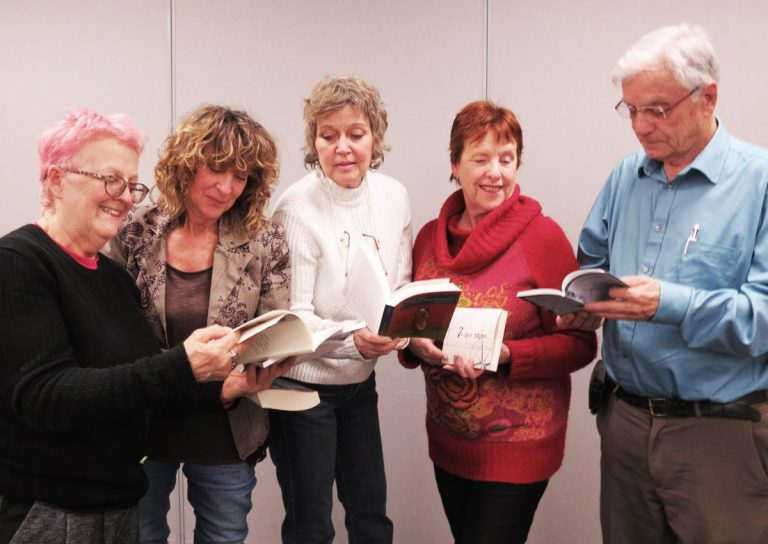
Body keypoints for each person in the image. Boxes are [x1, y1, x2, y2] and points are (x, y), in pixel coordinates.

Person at [0, 109, 271, 544]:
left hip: (118, 510)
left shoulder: (113, 279)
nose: (125, 197)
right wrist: (184, 364)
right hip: (53, 515)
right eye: (110, 179)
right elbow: (47, 396)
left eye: (131, 184)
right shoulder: (19, 263)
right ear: (55, 181)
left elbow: (143, 388)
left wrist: (223, 388)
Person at [559, 24, 768, 544]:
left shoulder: (759, 183)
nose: (640, 127)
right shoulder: (625, 176)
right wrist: (581, 304)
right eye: (629, 110)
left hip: (720, 434)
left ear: (708, 97)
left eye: (656, 108)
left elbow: (762, 319)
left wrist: (668, 304)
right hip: (625, 422)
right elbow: (591, 265)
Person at [401, 100, 596, 544]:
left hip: (518, 447)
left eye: (506, 159)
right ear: (455, 164)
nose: (496, 172)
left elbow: (581, 344)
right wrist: (417, 347)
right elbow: (412, 323)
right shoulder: (430, 238)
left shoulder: (541, 238)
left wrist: (508, 355)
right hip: (450, 440)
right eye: (481, 158)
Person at [106, 105, 293, 544]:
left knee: (224, 537)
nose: (227, 187)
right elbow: (112, 334)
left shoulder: (263, 239)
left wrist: (264, 367)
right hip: (145, 426)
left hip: (226, 431)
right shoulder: (136, 229)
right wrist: (205, 384)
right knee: (141, 536)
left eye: (241, 176)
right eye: (217, 168)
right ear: (187, 162)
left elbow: (273, 329)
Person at [270, 76, 412, 544]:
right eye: (328, 135)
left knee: (372, 518)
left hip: (358, 384)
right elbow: (293, 318)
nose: (344, 147)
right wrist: (353, 339)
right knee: (312, 527)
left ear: (376, 136)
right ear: (314, 143)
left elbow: (401, 287)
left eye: (356, 133)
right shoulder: (295, 209)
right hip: (300, 384)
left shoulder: (394, 196)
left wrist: (404, 331)